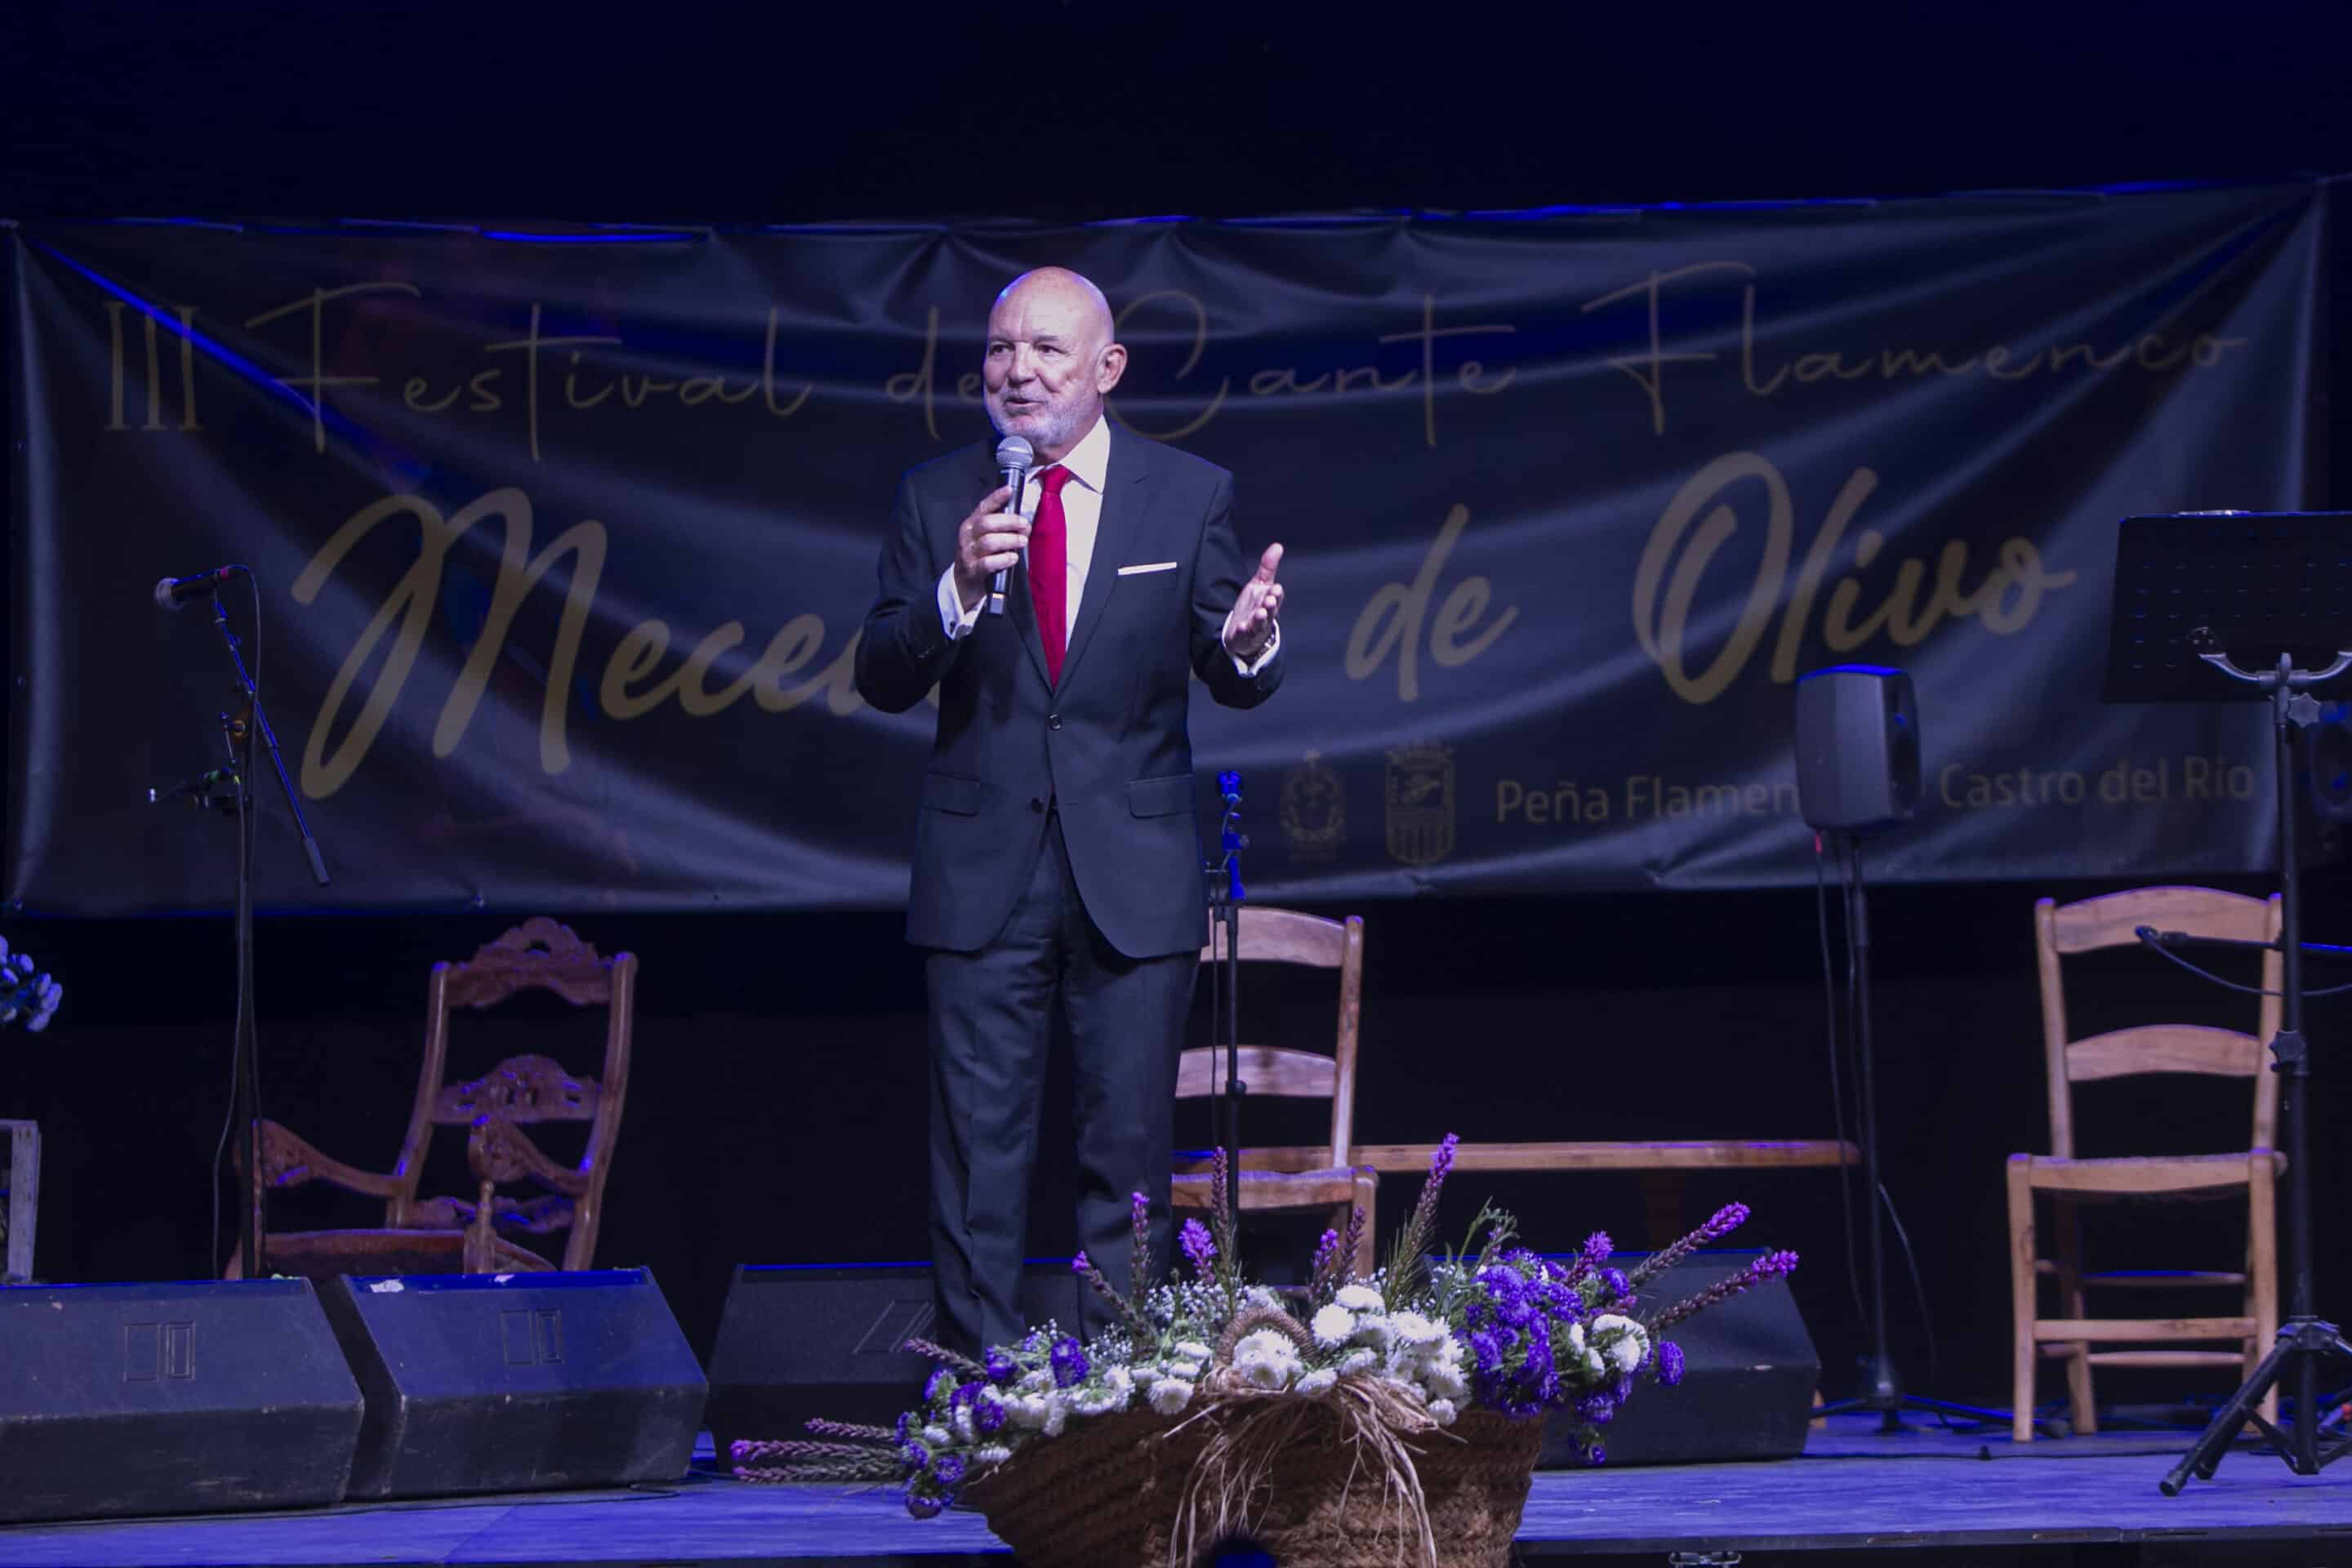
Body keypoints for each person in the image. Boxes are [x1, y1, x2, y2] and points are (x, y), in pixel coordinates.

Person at [856, 266, 1286, 1356]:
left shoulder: (1187, 496)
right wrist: (955, 591)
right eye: (1001, 350)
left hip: (1130, 873)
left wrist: (1246, 645)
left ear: (1107, 370)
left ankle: (1125, 1402)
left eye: (1047, 349)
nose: (1017, 370)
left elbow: (1226, 663)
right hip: (982, 868)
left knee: (1128, 1153)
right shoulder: (937, 495)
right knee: (975, 1155)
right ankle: (977, 1398)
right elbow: (881, 672)